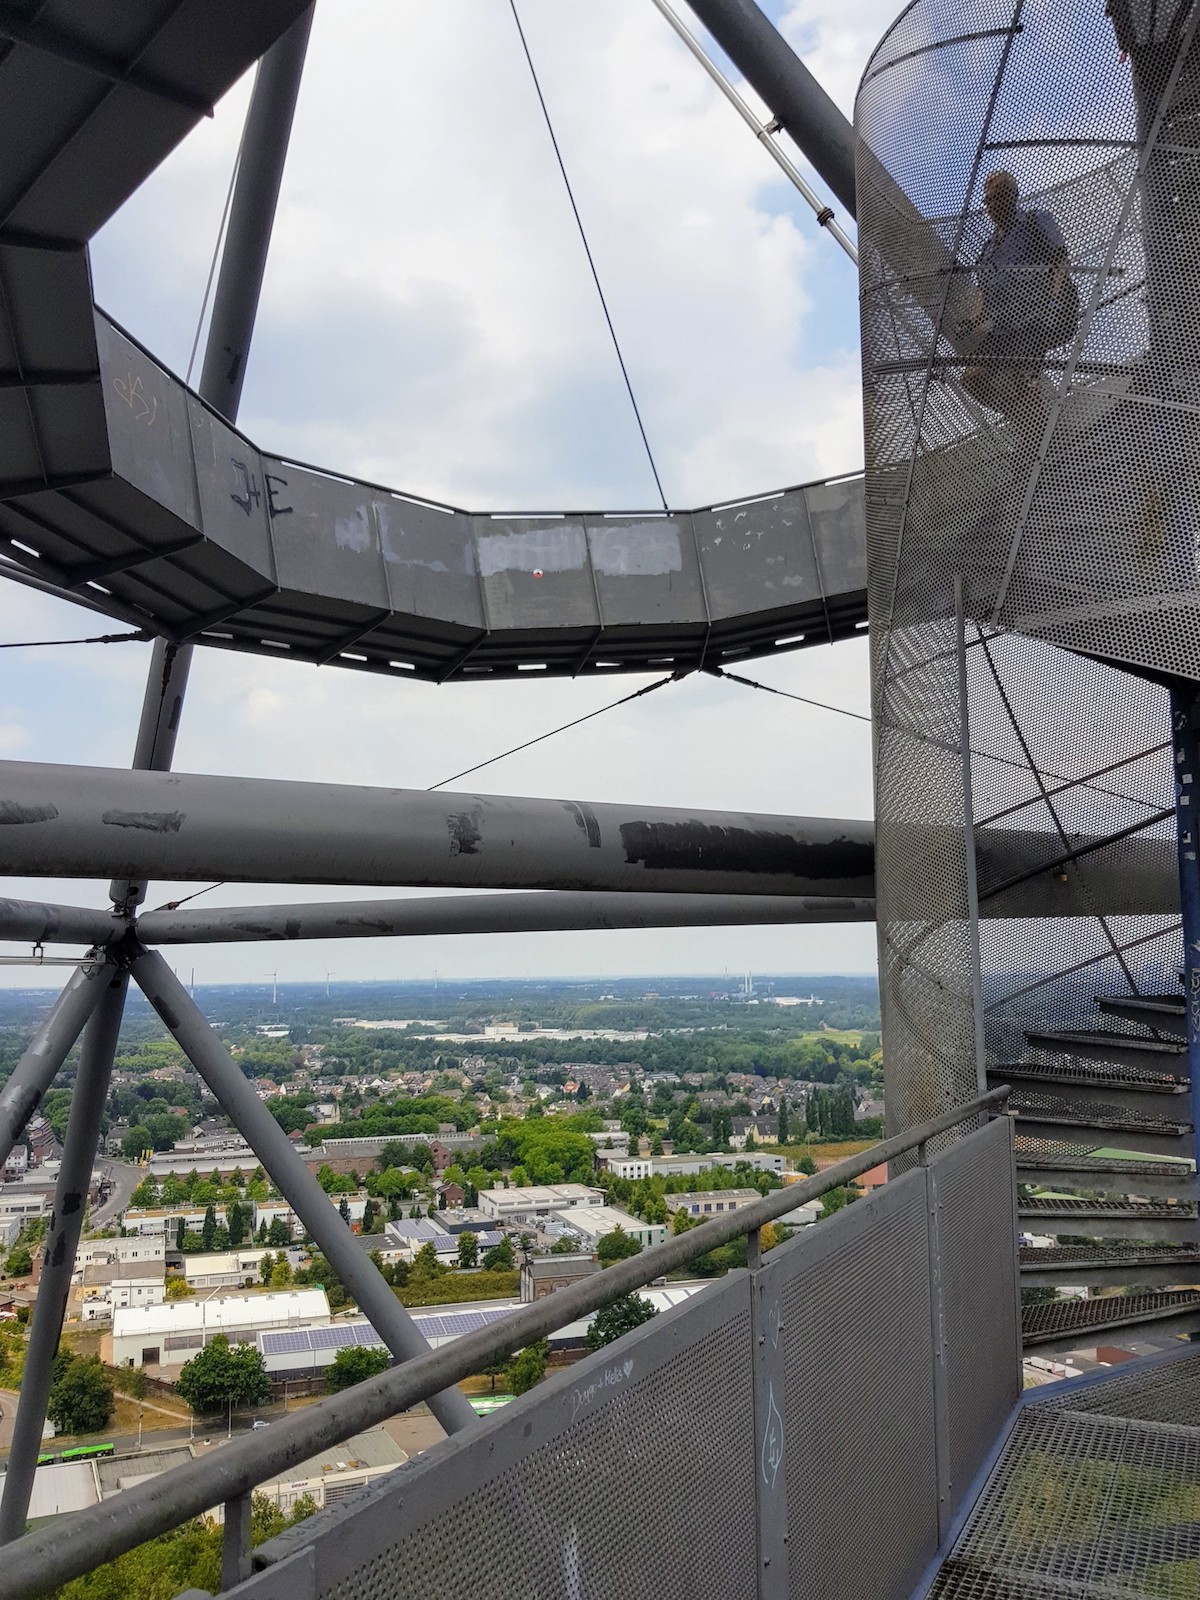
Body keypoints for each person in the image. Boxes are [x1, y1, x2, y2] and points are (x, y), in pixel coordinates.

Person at [959, 171, 1074, 418]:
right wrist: (972, 321)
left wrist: (1055, 301)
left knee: (1022, 374)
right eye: (988, 200)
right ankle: (1019, 413)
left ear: (1013, 197)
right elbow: (983, 295)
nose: (992, 205)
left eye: (999, 197)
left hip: (1036, 317)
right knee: (972, 378)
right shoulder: (988, 250)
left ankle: (1034, 428)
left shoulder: (1034, 221)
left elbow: (1059, 262)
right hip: (1005, 327)